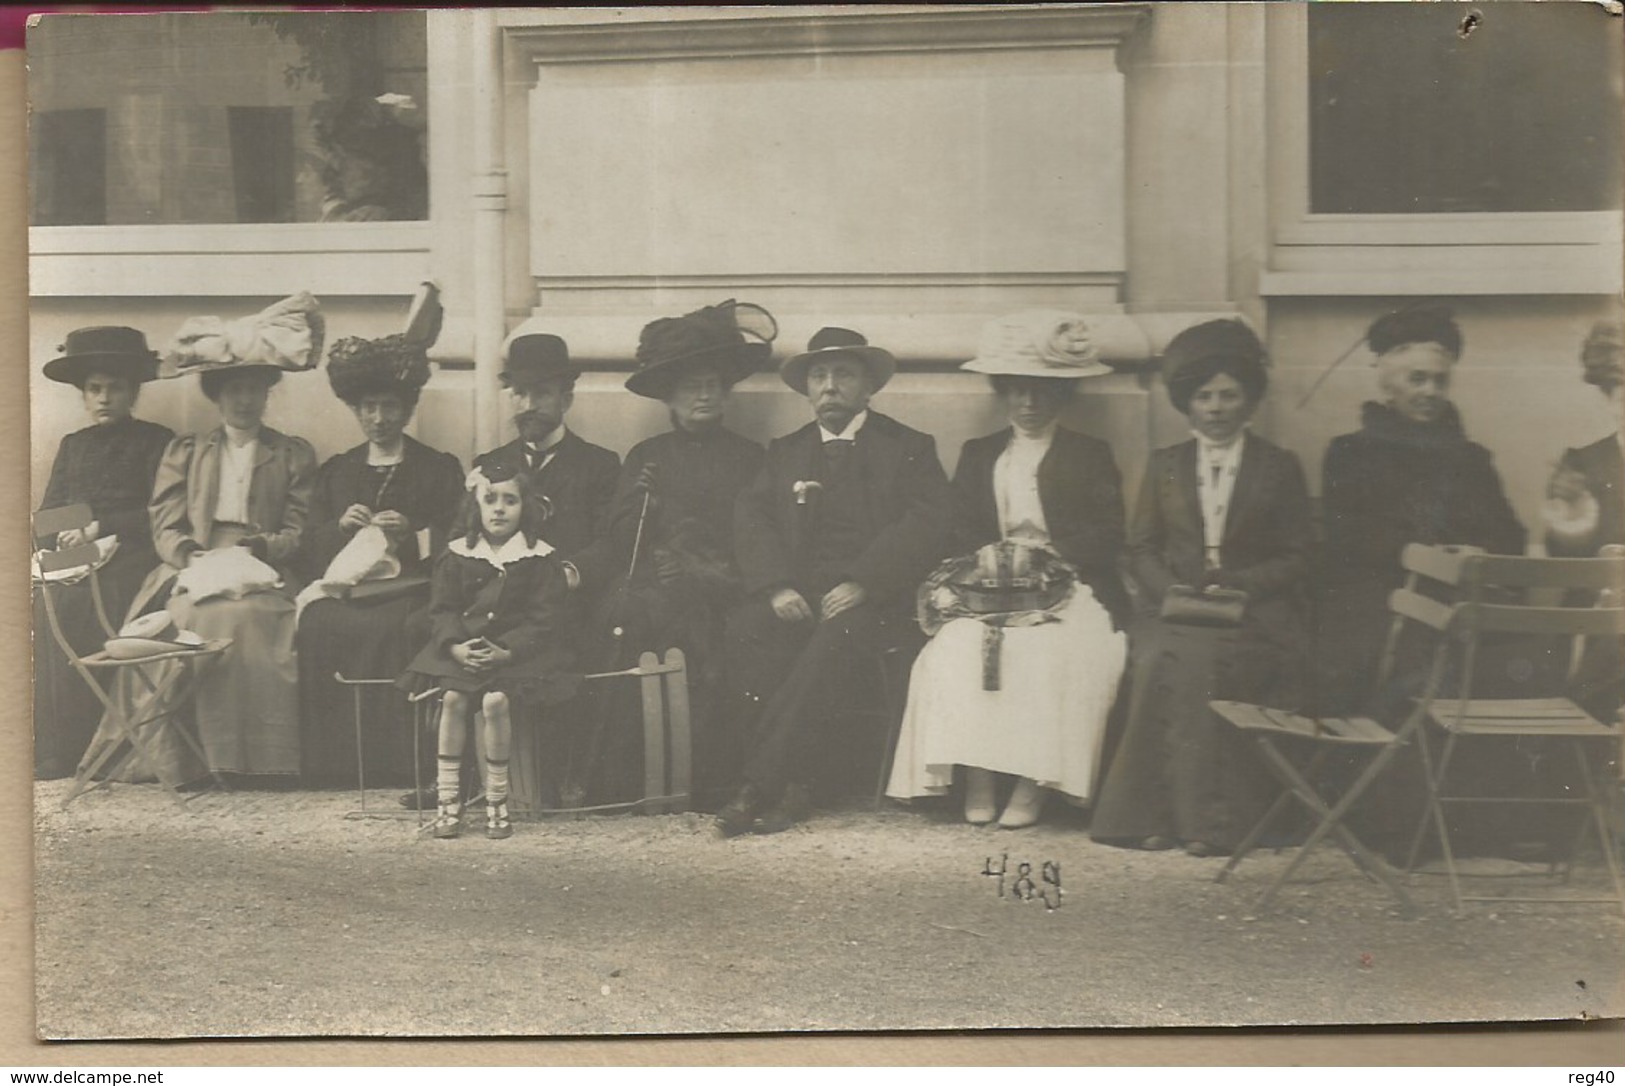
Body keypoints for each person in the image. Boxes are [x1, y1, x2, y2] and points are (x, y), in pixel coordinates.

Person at [885, 311, 1129, 828]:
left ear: (1061, 396)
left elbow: (1108, 535)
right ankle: (978, 773)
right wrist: (989, 564)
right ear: (1002, 393)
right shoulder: (981, 453)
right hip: (990, 586)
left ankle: (1032, 782)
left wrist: (1049, 557)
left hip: (1071, 586)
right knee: (955, 649)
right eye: (1017, 391)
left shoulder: (1089, 454)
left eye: (1041, 391)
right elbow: (959, 529)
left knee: (1054, 653)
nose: (1029, 404)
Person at [716, 326, 951, 836]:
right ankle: (796, 784)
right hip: (797, 595)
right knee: (746, 628)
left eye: (843, 374)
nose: (829, 387)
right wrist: (777, 587)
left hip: (876, 603)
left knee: (836, 636)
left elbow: (928, 523)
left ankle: (760, 784)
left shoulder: (908, 447)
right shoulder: (785, 451)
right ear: (805, 389)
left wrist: (864, 583)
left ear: (869, 387)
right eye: (818, 376)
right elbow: (751, 517)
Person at [1091, 318, 1313, 857]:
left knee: (1212, 665)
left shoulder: (1277, 467)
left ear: (1250, 401)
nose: (1216, 408)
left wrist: (1240, 585)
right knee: (1157, 658)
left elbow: (1299, 554)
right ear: (1187, 403)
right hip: (1177, 607)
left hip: (1253, 612)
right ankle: (1154, 818)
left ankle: (1212, 825)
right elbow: (1140, 547)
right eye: (1205, 396)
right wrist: (1172, 592)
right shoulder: (1166, 466)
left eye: (1229, 395)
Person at [84, 294, 322, 784]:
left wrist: (264, 547)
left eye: (254, 389)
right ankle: (195, 760)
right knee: (192, 617)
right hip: (193, 563)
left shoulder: (292, 454)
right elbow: (165, 522)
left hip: (264, 567)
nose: (244, 400)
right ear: (217, 395)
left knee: (253, 619)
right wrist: (191, 556)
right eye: (234, 389)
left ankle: (262, 762)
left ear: (266, 392)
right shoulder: (187, 452)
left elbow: (298, 529)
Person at [398, 332, 620, 812]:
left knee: (579, 638)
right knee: (423, 627)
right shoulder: (489, 467)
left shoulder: (599, 466)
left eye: (541, 393)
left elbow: (610, 542)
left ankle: (561, 775)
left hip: (557, 598)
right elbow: (461, 539)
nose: (529, 404)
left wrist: (569, 573)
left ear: (567, 398)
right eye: (519, 392)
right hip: (490, 599)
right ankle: (448, 775)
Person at [570, 300, 771, 808]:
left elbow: (759, 539)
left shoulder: (752, 459)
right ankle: (621, 783)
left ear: (726, 390)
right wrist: (642, 514)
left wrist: (700, 571)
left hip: (723, 589)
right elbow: (620, 538)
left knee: (723, 638)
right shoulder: (647, 456)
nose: (703, 395)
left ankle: (707, 784)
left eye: (712, 385)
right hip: (656, 587)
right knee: (623, 615)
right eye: (691, 386)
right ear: (670, 396)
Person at [1315, 306, 1526, 717]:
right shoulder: (1349, 454)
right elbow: (1348, 539)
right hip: (1376, 598)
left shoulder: (1471, 460)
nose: (1430, 391)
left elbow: (1509, 536)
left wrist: (1471, 553)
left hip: (1459, 599)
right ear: (1389, 385)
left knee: (1513, 653)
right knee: (1396, 653)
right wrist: (1426, 557)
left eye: (1440, 380)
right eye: (1417, 379)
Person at [294, 314, 464, 786]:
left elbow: (459, 538)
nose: (379, 419)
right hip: (349, 591)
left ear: (407, 409)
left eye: (389, 407)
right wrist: (338, 530)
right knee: (318, 620)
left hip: (409, 588)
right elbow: (310, 546)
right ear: (355, 410)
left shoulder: (436, 468)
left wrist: (415, 533)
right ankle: (337, 766)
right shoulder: (338, 471)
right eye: (368, 407)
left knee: (401, 626)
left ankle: (396, 764)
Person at [399, 455, 576, 839]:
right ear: (475, 506)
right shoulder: (458, 552)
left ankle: (498, 801)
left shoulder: (539, 557)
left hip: (516, 654)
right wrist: (456, 647)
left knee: (496, 702)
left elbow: (544, 619)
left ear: (524, 507)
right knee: (453, 700)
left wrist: (508, 650)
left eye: (510, 501)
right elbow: (442, 610)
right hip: (465, 648)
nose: (499, 509)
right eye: (490, 500)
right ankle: (449, 800)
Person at [33, 326, 174, 779]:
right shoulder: (74, 446)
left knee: (89, 603)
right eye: (95, 389)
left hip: (134, 554)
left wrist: (100, 527)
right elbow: (48, 514)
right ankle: (54, 747)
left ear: (133, 391)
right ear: (83, 394)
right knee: (40, 603)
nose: (104, 398)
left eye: (115, 388)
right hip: (75, 556)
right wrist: (62, 534)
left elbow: (162, 512)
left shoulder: (156, 441)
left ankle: (102, 748)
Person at [1541, 318, 1625, 721]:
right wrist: (1572, 520)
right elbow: (1562, 558)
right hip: (1597, 616)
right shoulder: (1586, 464)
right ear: (1609, 399)